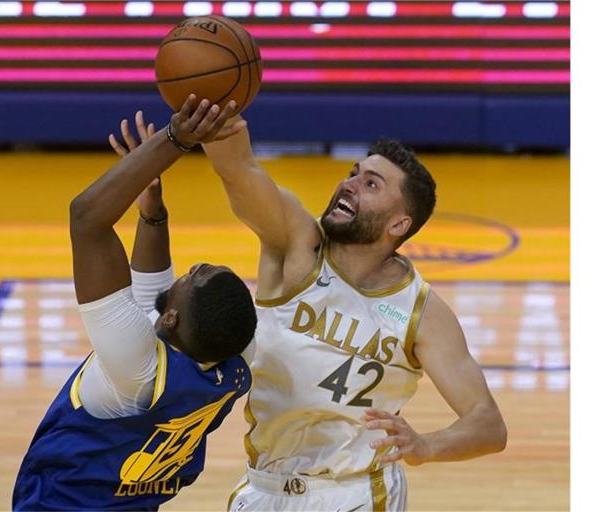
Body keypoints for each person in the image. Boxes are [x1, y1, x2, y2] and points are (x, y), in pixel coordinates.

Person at [200, 120, 508, 511]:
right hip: (265, 488)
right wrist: (214, 112)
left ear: (398, 224)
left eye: (371, 184)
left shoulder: (421, 312)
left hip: (356, 494)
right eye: (353, 174)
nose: (350, 184)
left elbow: (488, 425)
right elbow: (239, 168)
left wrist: (425, 446)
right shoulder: (295, 245)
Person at [12, 98, 257, 511]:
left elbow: (86, 218)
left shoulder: (133, 368)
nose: (193, 265)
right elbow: (149, 298)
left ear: (173, 316)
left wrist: (174, 140)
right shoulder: (232, 366)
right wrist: (152, 211)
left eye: (196, 274)